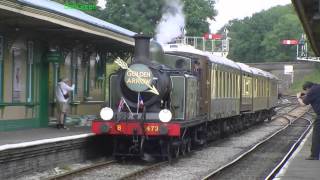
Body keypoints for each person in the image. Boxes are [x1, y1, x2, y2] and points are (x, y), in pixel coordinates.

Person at [297, 81, 320, 160]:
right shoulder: (317, 87)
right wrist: (307, 95)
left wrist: (298, 97)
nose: (306, 92)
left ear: (307, 88)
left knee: (317, 136)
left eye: (306, 90)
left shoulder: (312, 91)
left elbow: (303, 104)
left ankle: (314, 155)